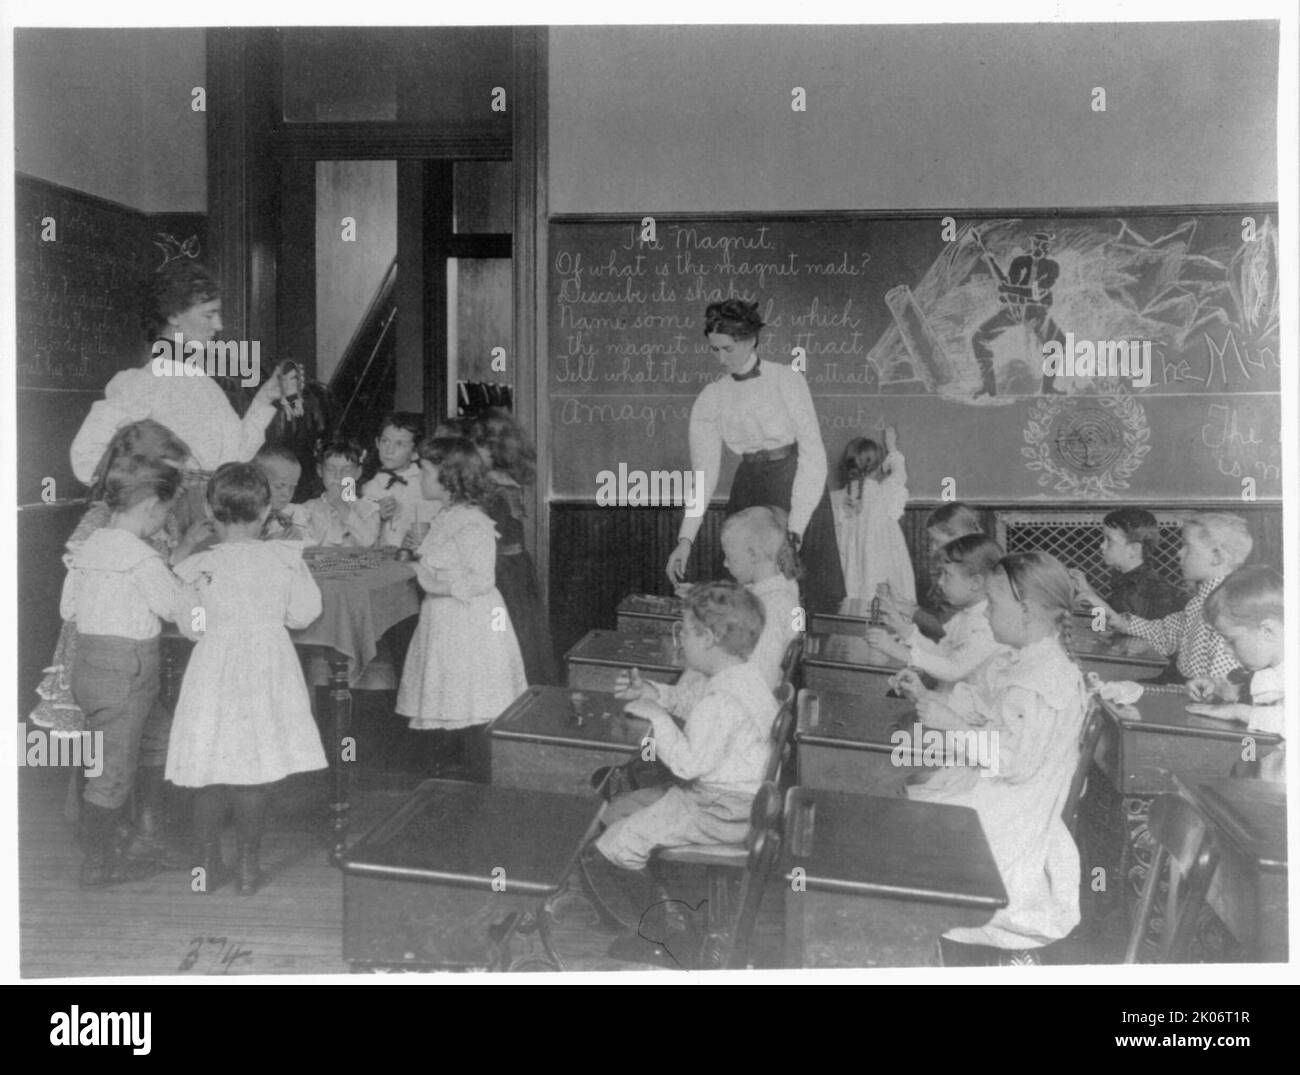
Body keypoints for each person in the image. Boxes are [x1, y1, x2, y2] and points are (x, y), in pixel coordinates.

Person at [897, 552, 1088, 963]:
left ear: (1027, 612)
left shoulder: (1040, 682)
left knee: (905, 825)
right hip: (1004, 798)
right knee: (907, 802)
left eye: (994, 606)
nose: (986, 615)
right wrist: (932, 700)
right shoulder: (1027, 660)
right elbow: (988, 715)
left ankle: (913, 945)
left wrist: (950, 725)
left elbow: (1014, 762)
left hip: (1011, 814)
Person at [579, 582, 778, 964]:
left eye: (683, 631)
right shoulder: (742, 678)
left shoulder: (721, 699)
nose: (680, 639)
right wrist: (654, 692)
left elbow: (688, 764)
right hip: (735, 803)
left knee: (615, 847)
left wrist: (655, 717)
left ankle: (666, 938)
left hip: (717, 810)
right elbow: (690, 704)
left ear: (709, 637)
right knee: (617, 809)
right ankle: (675, 911)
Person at [167, 463, 327, 895]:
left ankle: (204, 866)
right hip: (267, 669)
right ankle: (247, 869)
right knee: (252, 770)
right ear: (266, 513)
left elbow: (192, 627)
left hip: (213, 670)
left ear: (209, 511)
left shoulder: (199, 566)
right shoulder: (284, 559)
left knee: (209, 770)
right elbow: (303, 613)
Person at [69, 261, 297, 531]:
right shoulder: (144, 381)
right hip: (172, 522)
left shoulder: (205, 385)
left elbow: (235, 455)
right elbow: (86, 457)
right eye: (209, 315)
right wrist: (156, 491)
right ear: (174, 314)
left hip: (215, 518)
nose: (219, 325)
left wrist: (264, 398)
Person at [665, 299, 845, 614]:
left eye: (728, 349)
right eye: (714, 350)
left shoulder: (787, 379)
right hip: (749, 488)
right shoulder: (711, 398)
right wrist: (685, 539)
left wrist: (796, 530)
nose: (721, 359)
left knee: (807, 595)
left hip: (797, 485)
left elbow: (814, 457)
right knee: (750, 598)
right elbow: (703, 475)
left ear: (750, 340)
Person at [60, 457, 191, 887]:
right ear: (153, 505)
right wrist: (194, 583)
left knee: (158, 736)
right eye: (168, 511)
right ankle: (97, 865)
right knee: (111, 774)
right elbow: (176, 611)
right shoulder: (140, 557)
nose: (167, 519)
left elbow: (68, 609)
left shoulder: (90, 546)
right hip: (128, 672)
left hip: (91, 666)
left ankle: (143, 837)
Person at [395, 436, 528, 779]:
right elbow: (451, 559)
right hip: (445, 620)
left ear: (448, 476)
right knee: (449, 696)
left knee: (471, 696)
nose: (419, 477)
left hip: (468, 622)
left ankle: (476, 777)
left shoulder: (472, 520)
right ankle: (449, 775)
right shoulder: (448, 514)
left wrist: (426, 577)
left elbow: (481, 578)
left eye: (424, 471)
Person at [1073, 512, 1251, 683]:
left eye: (1187, 546)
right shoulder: (1200, 602)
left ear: (1216, 556)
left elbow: (1220, 685)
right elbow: (1165, 634)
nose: (1178, 553)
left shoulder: (1225, 607)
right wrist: (1120, 621)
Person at [470, 407, 558, 684]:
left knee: (504, 642)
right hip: (515, 570)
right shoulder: (508, 483)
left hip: (501, 573)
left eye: (476, 446)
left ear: (491, 448)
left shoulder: (493, 489)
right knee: (522, 639)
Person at [867, 533, 1007, 688]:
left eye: (947, 575)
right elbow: (941, 653)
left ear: (975, 582)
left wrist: (896, 650)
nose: (940, 582)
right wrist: (905, 630)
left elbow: (953, 669)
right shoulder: (963, 616)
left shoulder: (988, 624)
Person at [1186, 566, 1285, 782]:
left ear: (1267, 631)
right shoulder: (1264, 669)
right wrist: (1223, 691)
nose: (1225, 649)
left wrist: (1241, 711)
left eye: (1231, 640)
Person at [831, 425, 916, 606]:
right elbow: (899, 473)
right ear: (878, 466)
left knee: (855, 599)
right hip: (881, 572)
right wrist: (892, 448)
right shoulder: (884, 493)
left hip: (850, 575)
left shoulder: (838, 498)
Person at [877, 502, 984, 642]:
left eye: (937, 542)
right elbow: (941, 615)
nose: (933, 548)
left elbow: (944, 628)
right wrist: (903, 604)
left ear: (961, 537)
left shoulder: (964, 575)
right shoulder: (957, 567)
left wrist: (910, 613)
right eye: (931, 541)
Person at [1087, 508, 1187, 620]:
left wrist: (1090, 596)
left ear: (1133, 549)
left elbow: (1116, 631)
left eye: (1109, 541)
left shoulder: (1138, 592)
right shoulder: (1131, 581)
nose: (1102, 546)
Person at [288, 439, 382, 548]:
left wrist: (342, 507)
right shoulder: (308, 509)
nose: (338, 476)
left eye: (346, 470)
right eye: (330, 469)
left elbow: (368, 541)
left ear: (358, 472)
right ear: (320, 470)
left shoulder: (368, 509)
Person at [362, 412, 433, 550]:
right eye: (385, 441)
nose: (389, 450)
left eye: (399, 444)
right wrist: (376, 517)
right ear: (377, 443)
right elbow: (359, 536)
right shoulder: (369, 487)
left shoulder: (426, 485)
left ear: (415, 453)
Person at [254, 446, 307, 541]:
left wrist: (300, 538)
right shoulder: (244, 517)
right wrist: (264, 544)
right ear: (256, 481)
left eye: (292, 487)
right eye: (279, 486)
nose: (286, 494)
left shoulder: (296, 513)